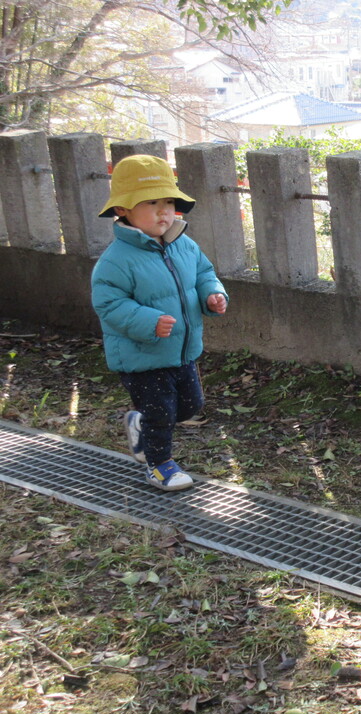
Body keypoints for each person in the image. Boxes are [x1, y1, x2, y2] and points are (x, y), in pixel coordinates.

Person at [91, 154, 228, 491]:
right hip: (142, 356)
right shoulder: (116, 261)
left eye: (168, 202)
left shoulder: (185, 245)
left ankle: (138, 423)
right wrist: (149, 321)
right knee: (162, 414)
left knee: (190, 406)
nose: (164, 211)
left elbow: (204, 275)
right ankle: (159, 465)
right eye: (151, 203)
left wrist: (212, 295)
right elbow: (109, 304)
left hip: (183, 348)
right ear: (123, 210)